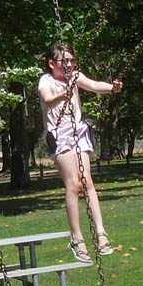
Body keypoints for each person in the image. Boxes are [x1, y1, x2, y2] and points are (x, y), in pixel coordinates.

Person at [37, 41, 123, 262]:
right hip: (59, 135)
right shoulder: (45, 81)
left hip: (78, 132)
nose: (69, 64)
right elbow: (47, 98)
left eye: (72, 60)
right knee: (73, 184)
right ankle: (76, 237)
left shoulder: (75, 77)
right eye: (64, 61)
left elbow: (94, 86)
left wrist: (112, 87)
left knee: (87, 182)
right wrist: (61, 96)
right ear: (51, 63)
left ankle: (101, 234)